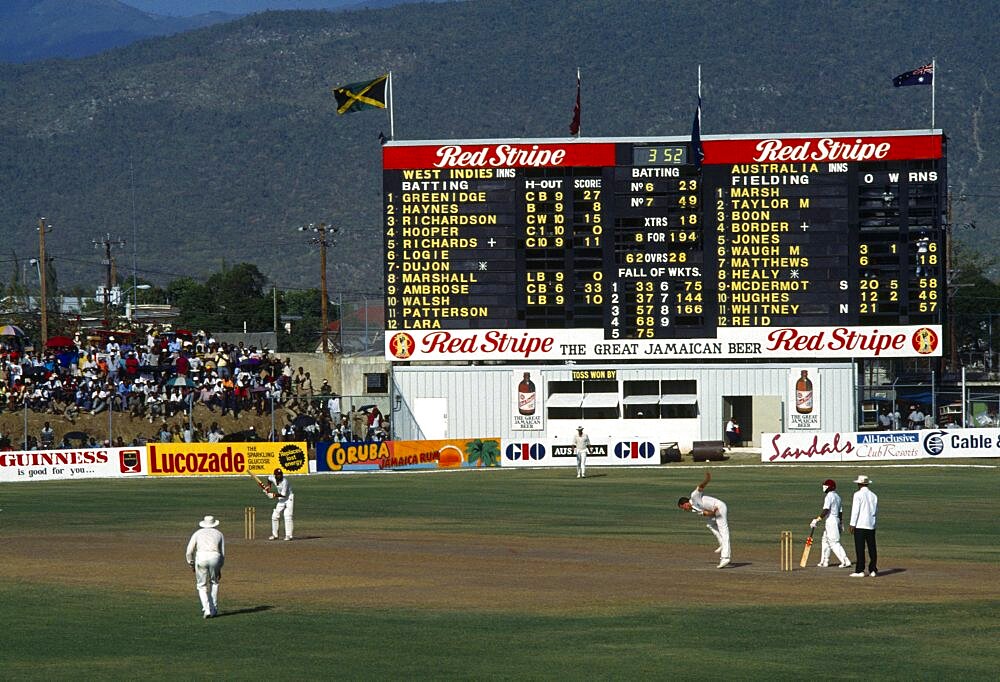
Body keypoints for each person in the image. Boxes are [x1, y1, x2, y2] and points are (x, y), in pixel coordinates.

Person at [678, 471, 731, 568]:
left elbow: (701, 487)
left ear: (685, 503)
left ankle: (725, 558)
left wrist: (707, 479)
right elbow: (707, 513)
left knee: (724, 532)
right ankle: (722, 544)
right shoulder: (694, 510)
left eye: (683, 508)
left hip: (719, 507)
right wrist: (713, 513)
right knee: (710, 524)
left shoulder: (694, 496)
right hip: (714, 510)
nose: (684, 510)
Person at [185, 514, 225, 618]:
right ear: (214, 524)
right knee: (214, 583)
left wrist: (191, 563)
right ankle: (213, 609)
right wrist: (219, 568)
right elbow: (222, 553)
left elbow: (189, 552)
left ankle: (206, 609)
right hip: (215, 557)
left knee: (201, 585)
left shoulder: (197, 533)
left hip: (201, 558)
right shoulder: (219, 534)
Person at [810, 479, 851, 568]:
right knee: (825, 539)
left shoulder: (829, 496)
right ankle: (824, 561)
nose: (823, 487)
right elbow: (840, 512)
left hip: (831, 521)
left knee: (834, 542)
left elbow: (826, 510)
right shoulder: (838, 497)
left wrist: (817, 520)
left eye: (825, 485)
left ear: (829, 487)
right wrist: (840, 523)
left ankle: (845, 561)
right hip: (836, 520)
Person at [849, 475, 878, 577]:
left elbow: (855, 511)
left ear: (859, 484)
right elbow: (875, 511)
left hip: (860, 525)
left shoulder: (857, 495)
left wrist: (852, 524)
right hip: (871, 525)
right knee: (872, 548)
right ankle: (873, 569)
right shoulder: (874, 495)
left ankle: (860, 570)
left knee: (860, 548)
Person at [266, 468, 294, 541]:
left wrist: (273, 495)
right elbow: (269, 479)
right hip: (281, 499)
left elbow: (283, 494)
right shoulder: (272, 477)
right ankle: (275, 535)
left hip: (289, 498)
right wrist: (268, 486)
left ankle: (288, 535)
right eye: (278, 475)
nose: (279, 476)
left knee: (287, 515)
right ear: (275, 475)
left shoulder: (285, 481)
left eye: (280, 474)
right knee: (275, 515)